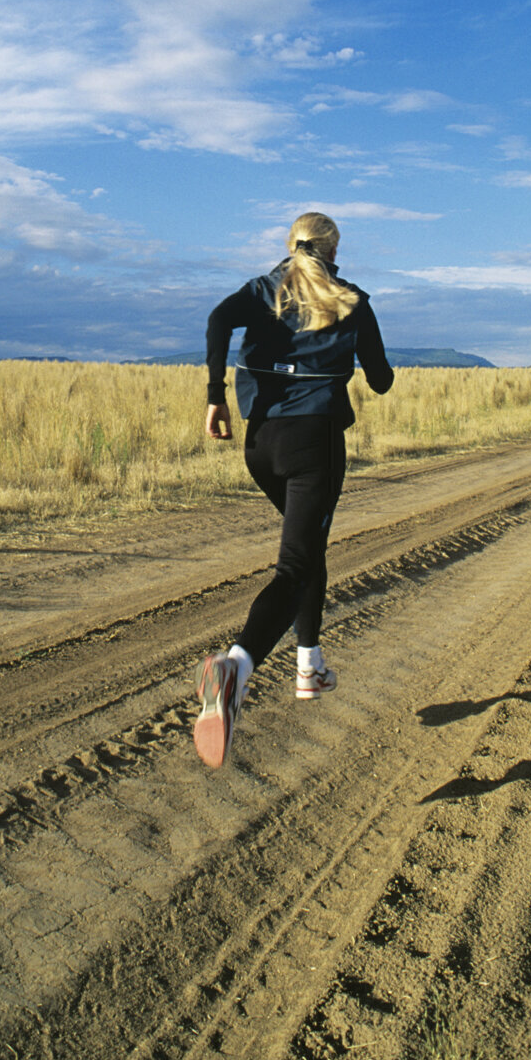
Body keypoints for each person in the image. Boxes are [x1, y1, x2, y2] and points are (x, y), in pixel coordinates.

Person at [193, 211, 394, 768]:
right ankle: (237, 665)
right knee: (294, 564)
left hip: (261, 444)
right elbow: (379, 377)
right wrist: (366, 364)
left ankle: (309, 664)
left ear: (290, 245)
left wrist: (215, 395)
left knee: (309, 552)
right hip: (315, 444)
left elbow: (216, 320)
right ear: (333, 248)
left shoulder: (264, 290)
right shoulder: (351, 298)